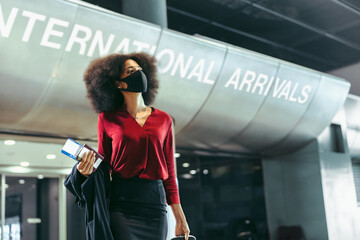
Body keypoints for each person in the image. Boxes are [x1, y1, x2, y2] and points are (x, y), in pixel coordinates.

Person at [77, 52, 190, 240]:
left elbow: (170, 173)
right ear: (117, 83)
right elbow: (104, 165)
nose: (139, 74)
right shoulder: (107, 119)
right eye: (131, 71)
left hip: (155, 205)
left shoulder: (164, 119)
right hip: (122, 204)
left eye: (140, 69)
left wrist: (180, 217)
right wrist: (86, 171)